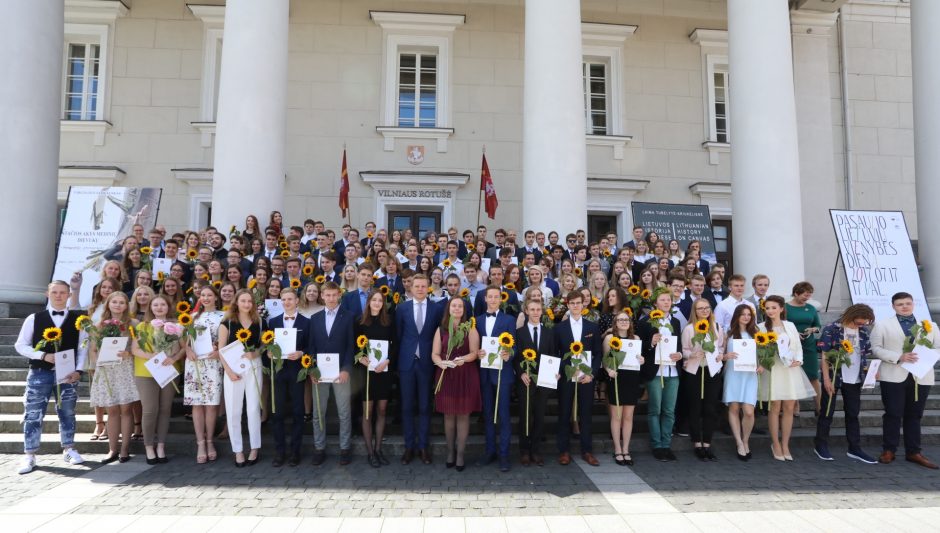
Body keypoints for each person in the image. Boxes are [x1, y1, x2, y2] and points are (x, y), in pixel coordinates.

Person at [14, 281, 88, 474]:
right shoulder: (34, 318)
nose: (58, 296)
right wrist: (42, 355)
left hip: (68, 374)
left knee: (68, 412)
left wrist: (78, 371)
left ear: (69, 295)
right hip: (40, 373)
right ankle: (29, 454)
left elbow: (83, 348)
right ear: (47, 294)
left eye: (63, 293)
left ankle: (69, 448)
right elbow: (20, 345)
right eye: (54, 292)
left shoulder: (78, 319)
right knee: (33, 413)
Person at [871, 292, 940, 469]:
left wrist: (927, 357)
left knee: (915, 414)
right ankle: (889, 450)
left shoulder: (929, 326)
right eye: (900, 304)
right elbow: (876, 349)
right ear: (893, 306)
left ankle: (914, 452)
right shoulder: (883, 325)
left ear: (913, 304)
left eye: (908, 303)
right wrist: (898, 356)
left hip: (920, 375)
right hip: (893, 374)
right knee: (893, 413)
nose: (904, 306)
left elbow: (938, 347)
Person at [814, 304, 877, 464]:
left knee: (853, 414)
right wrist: (827, 379)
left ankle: (854, 448)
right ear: (852, 316)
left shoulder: (863, 331)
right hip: (835, 376)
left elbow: (864, 354)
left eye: (864, 323)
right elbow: (825, 355)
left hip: (855, 378)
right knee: (827, 412)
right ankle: (820, 445)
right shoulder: (832, 328)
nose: (862, 325)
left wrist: (871, 372)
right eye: (859, 322)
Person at [758, 295, 814, 461]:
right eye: (767, 308)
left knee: (789, 406)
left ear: (781, 309)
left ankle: (785, 444)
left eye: (774, 308)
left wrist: (799, 359)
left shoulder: (790, 326)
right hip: (773, 369)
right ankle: (775, 443)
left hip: (790, 369)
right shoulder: (761, 328)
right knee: (775, 406)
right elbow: (759, 350)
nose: (770, 311)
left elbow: (797, 346)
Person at [395, 275, 443, 465]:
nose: (420, 289)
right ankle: (409, 446)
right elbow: (399, 336)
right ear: (411, 287)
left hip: (426, 363)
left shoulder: (436, 308)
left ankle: (423, 446)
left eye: (424, 286)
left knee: (424, 406)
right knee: (407, 406)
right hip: (406, 363)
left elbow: (438, 335)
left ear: (428, 288)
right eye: (417, 286)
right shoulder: (402, 308)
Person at [307, 282, 356, 466]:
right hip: (319, 373)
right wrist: (312, 369)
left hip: (341, 372)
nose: (331, 298)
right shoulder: (315, 318)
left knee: (344, 412)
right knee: (318, 413)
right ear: (322, 295)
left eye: (334, 295)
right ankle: (319, 448)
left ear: (339, 296)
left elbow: (351, 346)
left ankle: (345, 448)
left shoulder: (349, 317)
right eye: (327, 295)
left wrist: (346, 369)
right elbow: (311, 346)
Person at [130, 295, 183, 465]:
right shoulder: (143, 326)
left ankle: (161, 445)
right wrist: (151, 356)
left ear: (168, 306)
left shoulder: (176, 326)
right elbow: (135, 349)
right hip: (146, 372)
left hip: (168, 370)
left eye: (162, 304)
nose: (159, 308)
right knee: (150, 410)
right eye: (155, 305)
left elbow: (184, 348)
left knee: (165, 409)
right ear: (150, 308)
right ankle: (148, 447)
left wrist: (174, 358)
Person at [88, 291, 139, 463]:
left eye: (121, 302)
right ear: (108, 304)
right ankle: (112, 449)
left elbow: (139, 349)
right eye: (114, 302)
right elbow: (93, 350)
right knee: (112, 410)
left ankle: (125, 448)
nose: (118, 305)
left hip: (125, 370)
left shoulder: (134, 324)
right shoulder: (99, 325)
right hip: (106, 371)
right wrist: (98, 364)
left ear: (127, 305)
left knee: (126, 410)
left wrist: (129, 353)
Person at [432, 297, 481, 471]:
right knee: (448, 415)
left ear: (464, 310)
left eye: (460, 306)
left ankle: (460, 454)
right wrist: (440, 363)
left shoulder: (471, 328)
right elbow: (435, 354)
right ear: (449, 308)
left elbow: (474, 353)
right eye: (454, 305)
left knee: (463, 415)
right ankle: (450, 452)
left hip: (465, 374)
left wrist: (463, 359)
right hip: (446, 375)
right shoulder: (441, 329)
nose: (457, 308)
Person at [218, 289, 265, 467]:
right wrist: (228, 371)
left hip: (254, 367)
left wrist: (256, 353)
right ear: (236, 302)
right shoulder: (227, 322)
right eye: (243, 301)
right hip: (233, 369)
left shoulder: (259, 321)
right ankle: (238, 450)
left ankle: (254, 448)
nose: (246, 304)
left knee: (253, 408)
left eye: (249, 301)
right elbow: (221, 349)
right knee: (233, 410)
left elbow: (264, 345)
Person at [555, 291, 601, 466]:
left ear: (584, 305)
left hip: (585, 378)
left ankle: (587, 451)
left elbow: (598, 354)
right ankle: (563, 451)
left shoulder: (592, 327)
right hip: (566, 378)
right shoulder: (559, 328)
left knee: (586, 414)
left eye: (578, 303)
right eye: (572, 303)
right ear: (568, 305)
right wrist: (561, 371)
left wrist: (592, 374)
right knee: (564, 412)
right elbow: (555, 353)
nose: (575, 306)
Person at [474, 286, 517, 472]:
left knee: (504, 415)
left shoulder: (509, 320)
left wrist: (509, 355)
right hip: (484, 373)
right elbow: (474, 346)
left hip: (503, 372)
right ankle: (490, 450)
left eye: (496, 297)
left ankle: (504, 454)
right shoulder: (477, 320)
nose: (492, 300)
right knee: (488, 414)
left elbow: (514, 345)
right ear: (485, 299)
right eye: (489, 297)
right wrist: (478, 352)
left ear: (501, 299)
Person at [266, 288, 309, 467]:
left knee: (299, 412)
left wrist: (301, 353)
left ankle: (295, 452)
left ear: (297, 300)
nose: (286, 302)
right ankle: (280, 451)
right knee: (278, 413)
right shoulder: (273, 322)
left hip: (297, 371)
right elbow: (267, 346)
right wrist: (268, 353)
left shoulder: (306, 322)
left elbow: (310, 346)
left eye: (290, 299)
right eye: (283, 299)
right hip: (279, 371)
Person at [639, 290, 682, 462]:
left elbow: (679, 346)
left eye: (668, 299)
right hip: (655, 372)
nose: (666, 302)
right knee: (655, 409)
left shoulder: (676, 322)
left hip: (672, 371)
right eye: (662, 300)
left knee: (669, 410)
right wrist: (651, 342)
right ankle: (657, 445)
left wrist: (679, 355)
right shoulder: (646, 322)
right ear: (656, 303)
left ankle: (667, 444)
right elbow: (640, 346)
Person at [183, 286, 225, 463]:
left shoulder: (223, 316)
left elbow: (226, 340)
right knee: (197, 404)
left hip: (213, 364)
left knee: (212, 405)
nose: (206, 298)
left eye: (209, 295)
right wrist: (187, 350)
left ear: (216, 297)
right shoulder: (191, 317)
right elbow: (185, 341)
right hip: (195, 365)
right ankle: (200, 442)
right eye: (203, 295)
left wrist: (219, 351)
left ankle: (210, 442)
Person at [355, 291, 396, 468]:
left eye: (380, 300)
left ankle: (379, 448)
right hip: (366, 373)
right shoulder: (360, 321)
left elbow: (396, 344)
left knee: (382, 410)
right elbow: (353, 345)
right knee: (367, 412)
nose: (377, 303)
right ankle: (370, 452)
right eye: (374, 300)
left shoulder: (389, 322)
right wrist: (361, 358)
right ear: (369, 302)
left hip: (383, 371)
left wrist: (387, 361)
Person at [680, 298, 725, 461]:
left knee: (710, 408)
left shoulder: (717, 327)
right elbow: (683, 350)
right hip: (695, 370)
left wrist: (720, 354)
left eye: (707, 308)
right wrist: (692, 354)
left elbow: (720, 346)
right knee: (695, 406)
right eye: (700, 309)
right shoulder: (689, 329)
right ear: (695, 311)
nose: (704, 311)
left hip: (712, 371)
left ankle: (707, 442)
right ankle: (697, 443)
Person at [514, 299, 555, 467]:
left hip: (543, 381)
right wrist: (521, 372)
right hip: (526, 380)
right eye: (532, 309)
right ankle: (524, 450)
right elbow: (515, 357)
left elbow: (552, 355)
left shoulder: (548, 332)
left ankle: (536, 450)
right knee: (525, 416)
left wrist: (555, 373)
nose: (536, 312)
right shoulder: (519, 332)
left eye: (538, 309)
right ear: (526, 311)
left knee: (539, 416)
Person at [604, 310, 643, 466]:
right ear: (615, 322)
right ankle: (617, 449)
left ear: (630, 322)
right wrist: (609, 371)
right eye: (620, 319)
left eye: (626, 319)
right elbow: (605, 360)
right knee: (617, 416)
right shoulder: (609, 338)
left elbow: (638, 358)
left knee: (628, 417)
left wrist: (641, 360)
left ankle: (626, 449)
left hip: (632, 379)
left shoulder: (636, 338)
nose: (623, 322)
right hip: (616, 379)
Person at [723, 305, 759, 461]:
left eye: (748, 315)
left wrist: (762, 365)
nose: (746, 317)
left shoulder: (757, 334)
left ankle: (746, 440)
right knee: (734, 407)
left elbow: (764, 354)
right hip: (733, 374)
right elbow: (719, 355)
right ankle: (739, 442)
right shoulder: (727, 333)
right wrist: (726, 356)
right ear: (737, 316)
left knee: (749, 411)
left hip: (750, 375)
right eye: (743, 314)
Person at [786, 282, 822, 415]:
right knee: (794, 376)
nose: (806, 298)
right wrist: (793, 334)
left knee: (813, 376)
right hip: (792, 347)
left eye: (809, 296)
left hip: (809, 346)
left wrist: (813, 329)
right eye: (804, 296)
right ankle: (795, 406)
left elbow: (818, 325)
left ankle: (818, 406)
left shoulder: (811, 308)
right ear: (796, 293)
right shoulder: (785, 307)